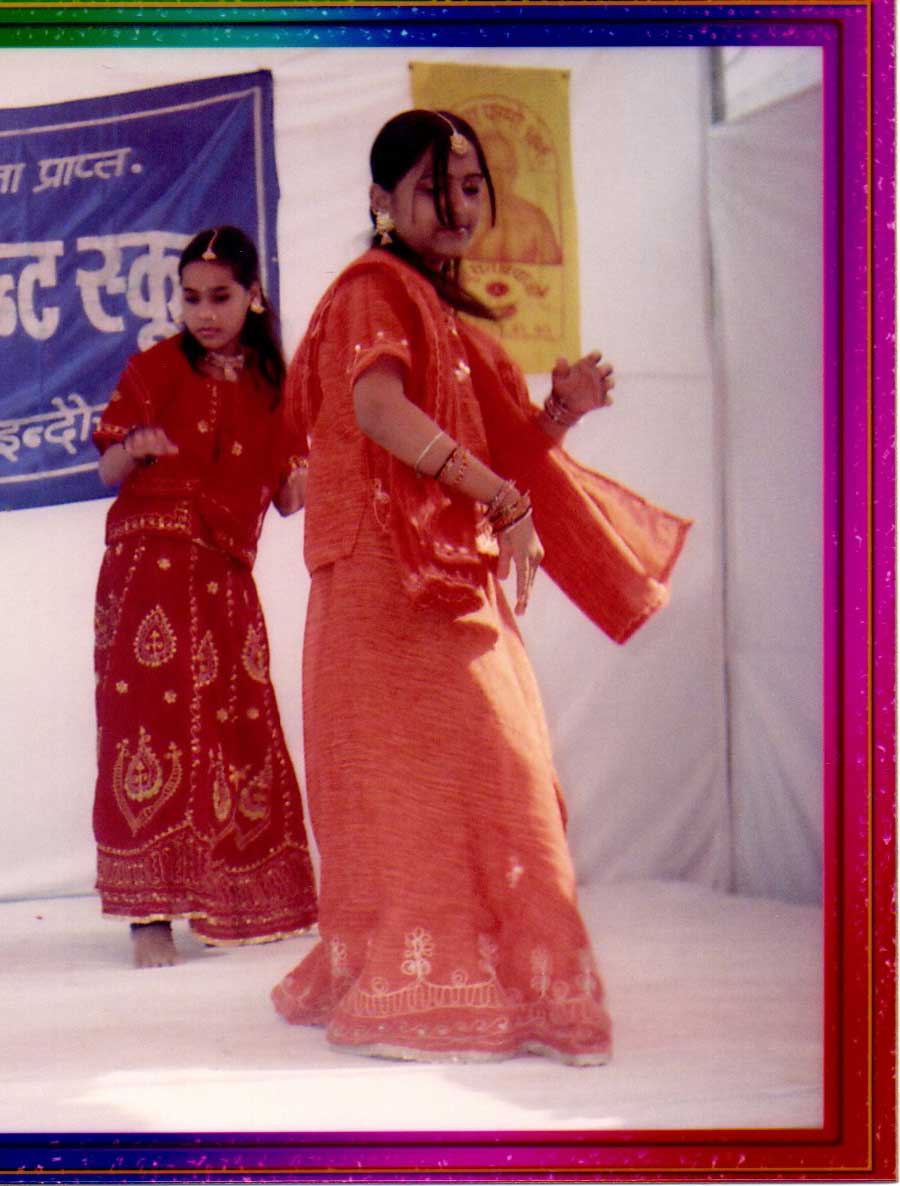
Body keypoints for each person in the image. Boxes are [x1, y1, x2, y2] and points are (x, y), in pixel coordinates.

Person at [271, 110, 690, 1064]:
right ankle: (418, 986)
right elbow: (378, 409)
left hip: (445, 573)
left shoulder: (442, 308)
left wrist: (558, 414)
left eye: (469, 188)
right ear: (381, 200)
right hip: (383, 582)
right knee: (425, 783)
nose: (456, 207)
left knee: (498, 777)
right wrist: (502, 501)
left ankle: (501, 983)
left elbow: (496, 447)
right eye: (431, 189)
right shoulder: (375, 292)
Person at [90, 225, 318, 969]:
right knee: (147, 732)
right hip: (149, 571)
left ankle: (247, 896)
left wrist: (330, 459)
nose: (204, 313)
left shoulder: (275, 388)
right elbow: (107, 471)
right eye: (191, 298)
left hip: (223, 576)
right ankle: (148, 913)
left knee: (234, 728)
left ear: (254, 297)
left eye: (220, 297)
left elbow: (288, 498)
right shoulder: (154, 368)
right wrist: (135, 449)